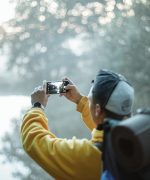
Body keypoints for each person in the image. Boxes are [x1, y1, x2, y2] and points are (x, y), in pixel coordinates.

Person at [20, 69, 134, 180]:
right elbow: (103, 125)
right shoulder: (136, 137)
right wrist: (80, 100)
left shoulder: (91, 156)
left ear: (98, 110)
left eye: (90, 101)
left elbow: (35, 141)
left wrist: (37, 106)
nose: (88, 103)